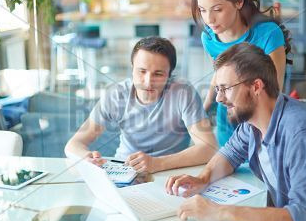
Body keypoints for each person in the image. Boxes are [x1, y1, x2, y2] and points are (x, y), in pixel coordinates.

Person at [166, 43, 306, 221]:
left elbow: (303, 219)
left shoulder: (300, 132)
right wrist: (203, 179)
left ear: (256, 86)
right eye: (217, 89)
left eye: (225, 88)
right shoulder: (253, 122)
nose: (219, 99)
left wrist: (217, 212)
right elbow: (229, 155)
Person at [65, 36, 217, 173]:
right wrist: (86, 157)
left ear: (170, 75)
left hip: (168, 172)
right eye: (142, 71)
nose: (148, 82)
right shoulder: (116, 94)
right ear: (132, 69)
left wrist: (157, 164)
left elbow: (208, 148)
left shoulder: (184, 93)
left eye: (158, 74)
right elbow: (74, 144)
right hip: (123, 168)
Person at [192, 0, 291, 146]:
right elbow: (219, 76)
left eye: (217, 9)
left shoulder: (268, 34)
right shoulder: (208, 38)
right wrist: (204, 110)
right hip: (227, 119)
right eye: (203, 10)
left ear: (238, 2)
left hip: (262, 119)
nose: (209, 19)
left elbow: (274, 92)